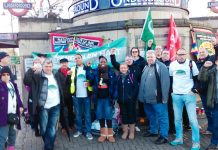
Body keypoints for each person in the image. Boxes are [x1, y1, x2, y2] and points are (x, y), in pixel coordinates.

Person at [24, 59, 65, 150]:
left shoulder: (56, 75)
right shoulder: (38, 76)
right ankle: (49, 143)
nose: (48, 68)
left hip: (55, 106)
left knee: (52, 128)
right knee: (43, 130)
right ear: (42, 66)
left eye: (50, 66)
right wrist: (31, 70)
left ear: (52, 67)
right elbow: (26, 81)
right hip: (43, 107)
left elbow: (63, 86)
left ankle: (48, 147)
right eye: (46, 66)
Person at [169, 48, 200, 150]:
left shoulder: (191, 63)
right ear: (176, 55)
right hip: (176, 96)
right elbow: (171, 79)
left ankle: (196, 143)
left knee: (192, 120)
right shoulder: (172, 65)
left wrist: (194, 90)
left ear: (185, 55)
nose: (181, 56)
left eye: (183, 54)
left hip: (188, 95)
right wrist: (172, 92)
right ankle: (179, 138)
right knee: (177, 119)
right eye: (179, 54)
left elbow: (197, 79)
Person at [138, 50, 170, 145]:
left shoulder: (161, 67)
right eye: (148, 57)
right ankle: (153, 131)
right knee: (151, 115)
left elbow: (165, 83)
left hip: (158, 99)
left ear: (155, 56)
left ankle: (164, 136)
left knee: (162, 117)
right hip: (147, 98)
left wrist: (164, 98)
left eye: (151, 57)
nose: (149, 58)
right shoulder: (146, 66)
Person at [90, 55, 117, 143]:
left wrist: (114, 96)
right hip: (98, 98)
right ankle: (102, 134)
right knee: (100, 115)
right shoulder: (95, 71)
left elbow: (115, 84)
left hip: (108, 98)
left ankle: (110, 135)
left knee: (108, 116)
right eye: (101, 62)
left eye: (104, 62)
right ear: (99, 63)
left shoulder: (111, 71)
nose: (102, 63)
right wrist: (88, 68)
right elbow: (90, 80)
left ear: (106, 63)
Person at [66, 54, 93, 140]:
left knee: (87, 114)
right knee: (77, 114)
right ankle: (79, 130)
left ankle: (88, 131)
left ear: (82, 59)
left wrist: (90, 83)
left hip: (86, 96)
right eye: (75, 59)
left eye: (78, 58)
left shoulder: (87, 68)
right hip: (76, 96)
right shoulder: (72, 69)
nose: (77, 59)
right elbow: (68, 82)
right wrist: (68, 75)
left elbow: (93, 79)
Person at [198, 36, 218, 150]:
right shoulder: (212, 70)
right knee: (215, 124)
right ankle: (214, 143)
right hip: (215, 101)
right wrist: (205, 68)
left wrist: (216, 45)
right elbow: (201, 78)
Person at [0, 66, 23, 150]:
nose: (6, 76)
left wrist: (20, 106)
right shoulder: (0, 85)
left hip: (13, 114)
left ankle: (11, 148)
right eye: (4, 75)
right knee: (2, 137)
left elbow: (17, 96)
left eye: (8, 74)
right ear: (0, 75)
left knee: (12, 133)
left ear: (10, 75)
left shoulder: (13, 84)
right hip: (3, 116)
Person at [117, 63, 138, 140]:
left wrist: (131, 97)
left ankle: (132, 132)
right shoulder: (118, 77)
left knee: (131, 115)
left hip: (130, 101)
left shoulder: (131, 76)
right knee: (124, 116)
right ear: (119, 69)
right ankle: (125, 132)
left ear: (127, 68)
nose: (123, 69)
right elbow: (117, 89)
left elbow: (136, 88)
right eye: (121, 68)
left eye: (124, 68)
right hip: (121, 101)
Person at [196, 48, 212, 134]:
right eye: (200, 52)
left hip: (211, 91)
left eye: (203, 52)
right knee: (207, 110)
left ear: (207, 53)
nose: (201, 53)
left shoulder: (211, 61)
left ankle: (212, 128)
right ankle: (210, 128)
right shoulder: (198, 62)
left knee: (212, 111)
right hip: (202, 91)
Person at [57, 58, 74, 134]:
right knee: (62, 112)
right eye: (62, 63)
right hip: (61, 96)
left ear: (67, 63)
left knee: (71, 111)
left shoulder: (72, 71)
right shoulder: (57, 73)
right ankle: (63, 127)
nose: (64, 64)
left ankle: (71, 125)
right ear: (60, 64)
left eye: (65, 63)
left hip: (70, 95)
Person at [130, 47, 146, 124]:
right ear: (131, 53)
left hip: (140, 82)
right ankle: (133, 118)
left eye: (136, 51)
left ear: (138, 52)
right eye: (133, 52)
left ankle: (142, 117)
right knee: (132, 101)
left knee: (140, 101)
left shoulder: (142, 61)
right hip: (131, 84)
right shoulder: (129, 60)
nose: (134, 53)